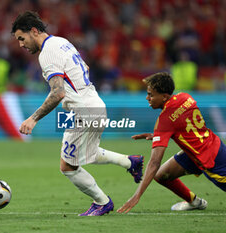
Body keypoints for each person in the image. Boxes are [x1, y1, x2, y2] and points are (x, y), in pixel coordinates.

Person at [11, 11, 144, 216]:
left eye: (22, 38)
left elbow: (57, 92)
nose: (20, 44)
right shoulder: (62, 42)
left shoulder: (47, 53)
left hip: (83, 110)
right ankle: (130, 162)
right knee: (85, 153)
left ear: (34, 31)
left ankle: (102, 202)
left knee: (67, 166)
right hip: (92, 104)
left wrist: (32, 118)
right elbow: (85, 67)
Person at [117, 72, 226, 214]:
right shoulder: (185, 97)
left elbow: (154, 162)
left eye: (151, 94)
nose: (147, 98)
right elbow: (184, 126)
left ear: (164, 97)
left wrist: (137, 195)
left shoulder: (164, 120)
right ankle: (194, 202)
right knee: (161, 175)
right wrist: (157, 136)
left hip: (213, 159)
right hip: (199, 150)